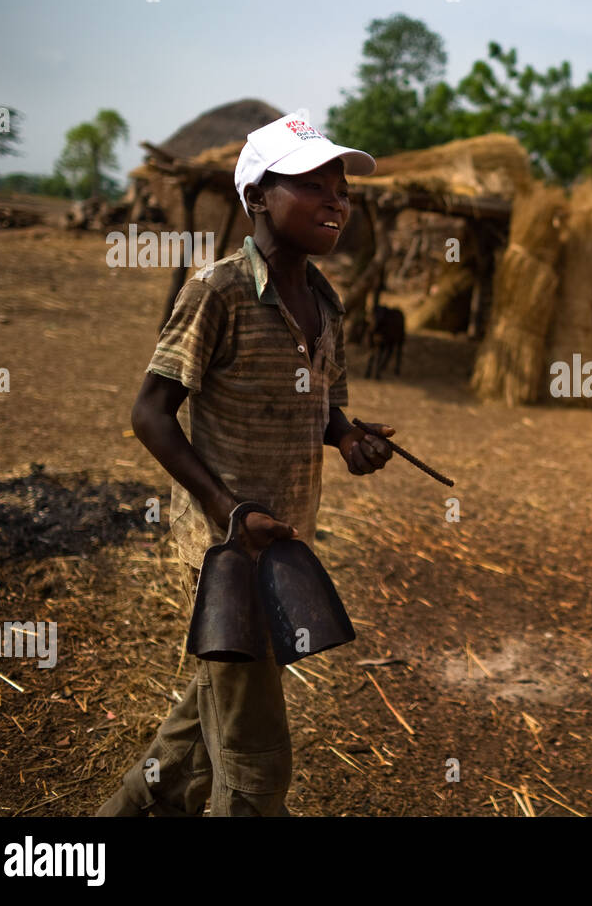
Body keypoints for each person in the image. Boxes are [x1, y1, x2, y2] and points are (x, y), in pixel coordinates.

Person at [97, 113, 394, 816]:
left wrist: (349, 439)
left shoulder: (324, 299)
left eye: (342, 187)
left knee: (194, 740)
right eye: (311, 184)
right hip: (228, 553)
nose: (336, 201)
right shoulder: (219, 291)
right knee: (257, 766)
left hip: (285, 545)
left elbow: (322, 404)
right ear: (256, 196)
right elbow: (149, 413)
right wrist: (227, 507)